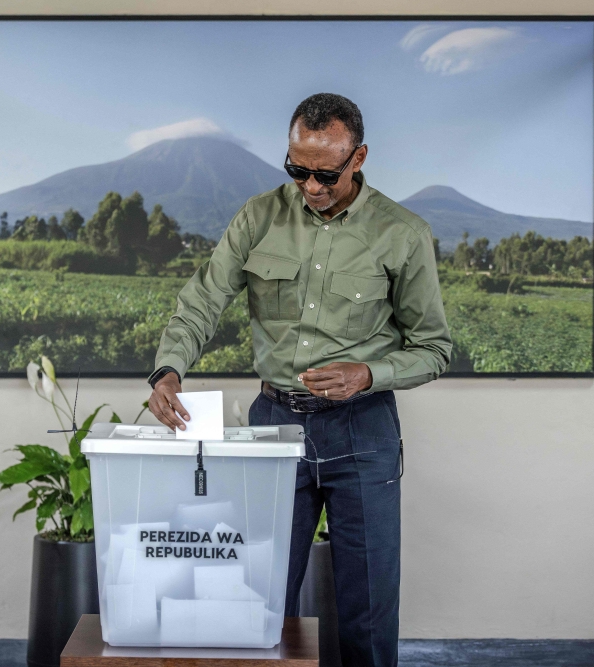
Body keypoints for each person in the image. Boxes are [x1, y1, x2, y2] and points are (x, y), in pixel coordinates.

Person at [146, 92, 452, 667]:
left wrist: (369, 373)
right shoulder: (258, 217)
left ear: (358, 158)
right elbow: (202, 302)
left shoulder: (402, 233)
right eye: (298, 170)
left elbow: (434, 349)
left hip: (363, 433)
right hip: (274, 429)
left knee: (366, 612)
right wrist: (169, 369)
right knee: (259, 605)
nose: (310, 186)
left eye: (326, 173)